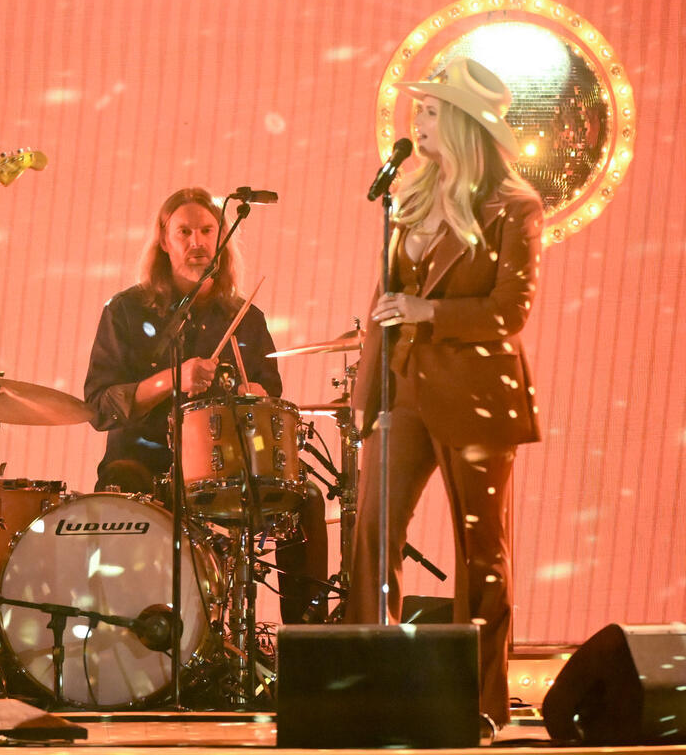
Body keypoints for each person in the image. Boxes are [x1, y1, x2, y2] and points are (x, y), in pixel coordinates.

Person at [345, 58, 544, 729]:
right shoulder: (407, 195)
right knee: (371, 537)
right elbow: (383, 300)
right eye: (419, 108)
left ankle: (480, 705)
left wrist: (430, 314)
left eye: (431, 111)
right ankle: (364, 687)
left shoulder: (515, 206)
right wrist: (364, 397)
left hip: (478, 395)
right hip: (404, 389)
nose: (417, 120)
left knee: (479, 552)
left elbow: (509, 311)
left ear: (461, 124)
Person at [83, 187, 328, 624]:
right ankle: (128, 632)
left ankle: (305, 644)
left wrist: (254, 391)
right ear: (164, 239)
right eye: (184, 231)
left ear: (220, 237)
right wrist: (172, 379)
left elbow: (271, 394)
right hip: (143, 460)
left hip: (224, 466)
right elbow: (101, 406)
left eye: (206, 230)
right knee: (120, 487)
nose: (196, 241)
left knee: (305, 497)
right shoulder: (124, 310)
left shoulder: (246, 316)